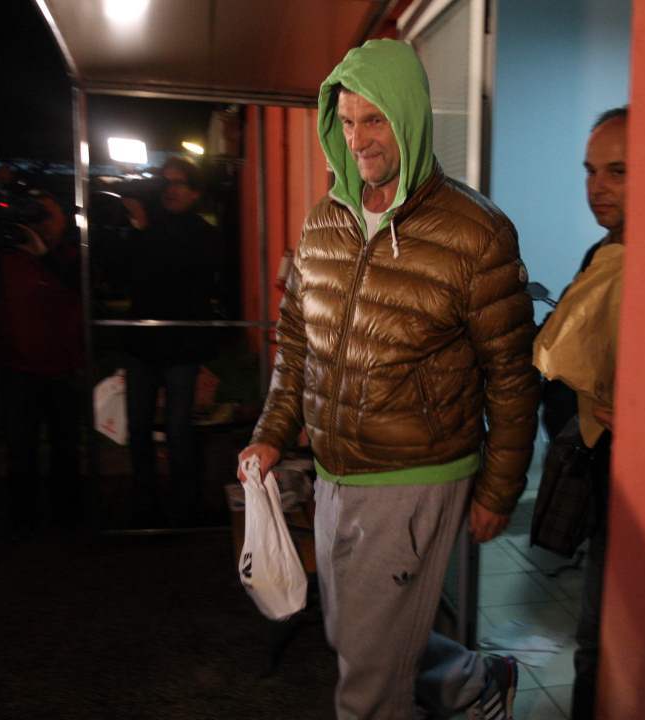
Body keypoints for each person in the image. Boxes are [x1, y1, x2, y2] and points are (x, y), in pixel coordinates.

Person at [239, 39, 539, 720]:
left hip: (417, 476)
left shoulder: (478, 233)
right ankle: (471, 683)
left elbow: (512, 378)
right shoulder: (324, 222)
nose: (358, 140)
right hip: (334, 472)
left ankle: (453, 687)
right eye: (347, 122)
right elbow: (297, 344)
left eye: (374, 120)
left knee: (368, 686)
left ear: (409, 116)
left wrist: (499, 488)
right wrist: (272, 433)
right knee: (351, 634)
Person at [538, 106, 628, 720]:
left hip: (643, 498)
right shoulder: (604, 254)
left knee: (609, 649)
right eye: (590, 171)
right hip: (605, 484)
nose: (597, 187)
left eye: (617, 171)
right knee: (594, 645)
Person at [118, 156, 227, 526]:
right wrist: (138, 227)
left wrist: (145, 230)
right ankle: (144, 500)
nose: (170, 189)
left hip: (181, 343)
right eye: (165, 182)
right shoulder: (145, 226)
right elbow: (126, 274)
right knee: (138, 426)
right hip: (142, 343)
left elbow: (183, 274)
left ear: (195, 192)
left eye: (179, 183)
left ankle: (184, 505)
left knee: (179, 427)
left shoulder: (202, 233)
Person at [0, 185, 83, 536]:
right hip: (17, 367)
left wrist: (43, 254)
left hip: (63, 366)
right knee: (21, 448)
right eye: (35, 215)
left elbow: (80, 287)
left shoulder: (72, 254)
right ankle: (24, 518)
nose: (42, 222)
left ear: (64, 219)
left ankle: (66, 516)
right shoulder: (6, 255)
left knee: (65, 446)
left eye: (48, 215)